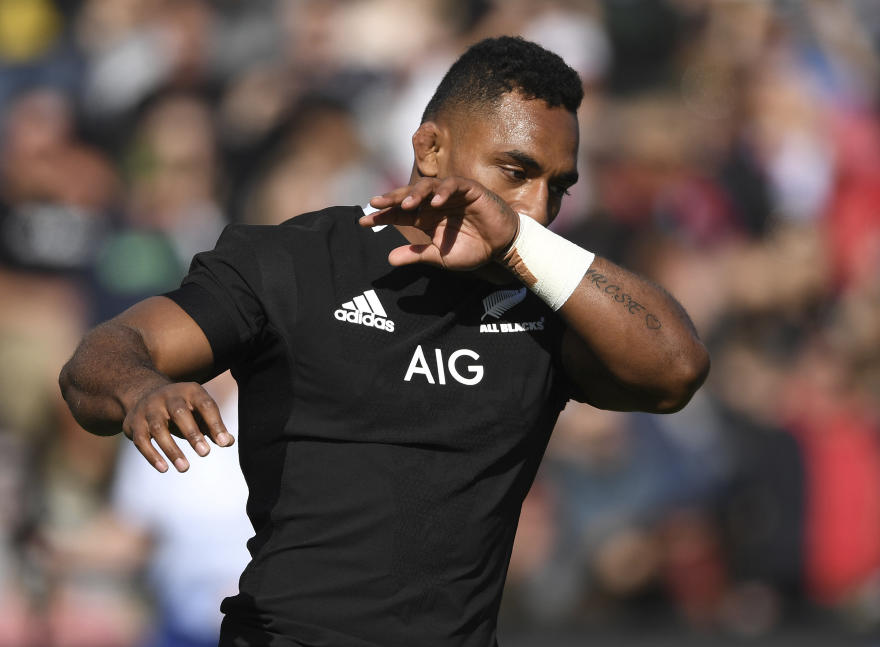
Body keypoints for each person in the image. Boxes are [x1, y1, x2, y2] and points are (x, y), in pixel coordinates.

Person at [60, 37, 709, 647]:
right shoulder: (294, 263)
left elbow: (675, 370)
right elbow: (102, 357)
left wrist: (518, 242)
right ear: (429, 148)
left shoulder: (547, 297)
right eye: (515, 171)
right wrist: (142, 387)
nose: (537, 206)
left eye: (557, 186)